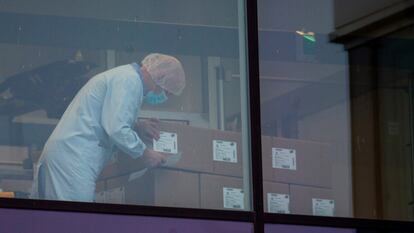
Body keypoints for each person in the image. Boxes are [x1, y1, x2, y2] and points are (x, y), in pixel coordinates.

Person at [31, 53, 186, 202]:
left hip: (66, 155)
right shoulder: (130, 81)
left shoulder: (124, 76)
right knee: (74, 222)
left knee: (53, 222)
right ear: (159, 76)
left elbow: (107, 117)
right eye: (165, 91)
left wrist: (137, 126)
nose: (161, 96)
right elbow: (116, 129)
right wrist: (145, 153)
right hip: (73, 158)